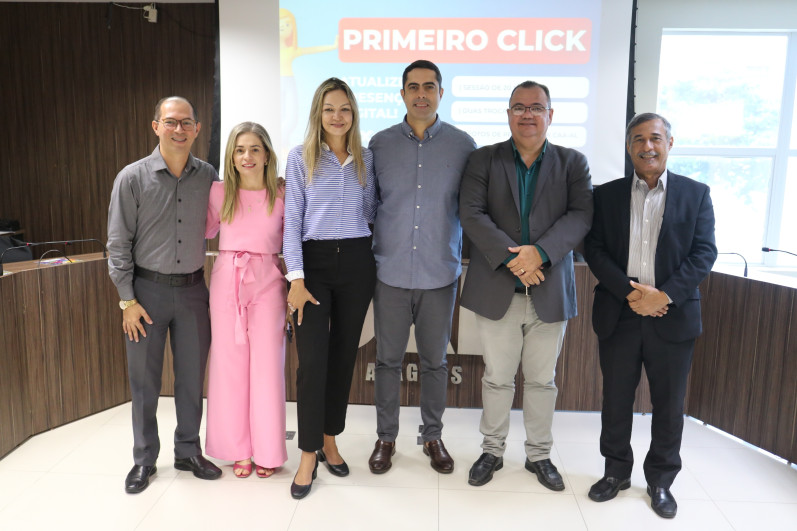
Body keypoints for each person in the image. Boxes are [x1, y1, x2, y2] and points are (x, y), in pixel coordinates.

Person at [459, 81, 593, 490]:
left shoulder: (573, 162)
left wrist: (542, 253)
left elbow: (580, 216)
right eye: (519, 107)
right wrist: (517, 259)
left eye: (536, 107)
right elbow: (471, 213)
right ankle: (492, 451)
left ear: (550, 115)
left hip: (549, 290)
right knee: (497, 378)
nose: (527, 114)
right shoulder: (483, 159)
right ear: (508, 114)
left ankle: (539, 455)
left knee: (541, 380)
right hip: (498, 287)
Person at [584, 113, 717, 519]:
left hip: (671, 314)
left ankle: (660, 480)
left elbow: (704, 252)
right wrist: (631, 293)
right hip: (620, 311)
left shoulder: (696, 194)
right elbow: (594, 248)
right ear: (629, 147)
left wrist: (664, 296)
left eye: (655, 138)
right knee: (616, 400)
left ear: (669, 143)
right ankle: (615, 472)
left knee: (669, 404)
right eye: (638, 139)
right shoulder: (606, 195)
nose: (647, 146)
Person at [107, 96, 222, 494]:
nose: (179, 129)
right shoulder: (132, 177)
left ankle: (188, 451)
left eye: (187, 122)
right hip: (145, 294)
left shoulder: (208, 176)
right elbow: (117, 244)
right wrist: (127, 300)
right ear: (156, 126)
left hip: (193, 292)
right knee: (144, 382)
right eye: (171, 122)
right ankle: (144, 459)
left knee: (191, 379)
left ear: (197, 129)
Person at [367, 60, 476, 475]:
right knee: (387, 362)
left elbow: (473, 208)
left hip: (439, 274)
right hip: (390, 273)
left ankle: (433, 436)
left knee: (435, 363)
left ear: (441, 93)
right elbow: (367, 205)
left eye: (429, 87)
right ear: (402, 94)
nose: (421, 94)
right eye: (413, 87)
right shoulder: (378, 145)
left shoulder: (463, 146)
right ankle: (386, 438)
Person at [283, 77, 377, 499]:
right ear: (317, 114)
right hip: (314, 265)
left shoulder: (366, 158)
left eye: (344, 109)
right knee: (312, 364)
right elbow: (292, 223)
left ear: (353, 113)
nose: (337, 117)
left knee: (342, 359)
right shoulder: (300, 158)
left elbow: (370, 211)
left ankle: (330, 440)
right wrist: (296, 278)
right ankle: (307, 453)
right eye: (329, 109)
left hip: (357, 262)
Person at [204, 122, 288, 479]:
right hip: (228, 280)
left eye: (254, 149)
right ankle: (238, 450)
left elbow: (294, 241)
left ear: (267, 154)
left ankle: (267, 450)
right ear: (231, 156)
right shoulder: (217, 192)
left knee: (268, 368)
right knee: (229, 366)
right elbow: (203, 230)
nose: (247, 156)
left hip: (269, 280)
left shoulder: (283, 193)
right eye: (240, 150)